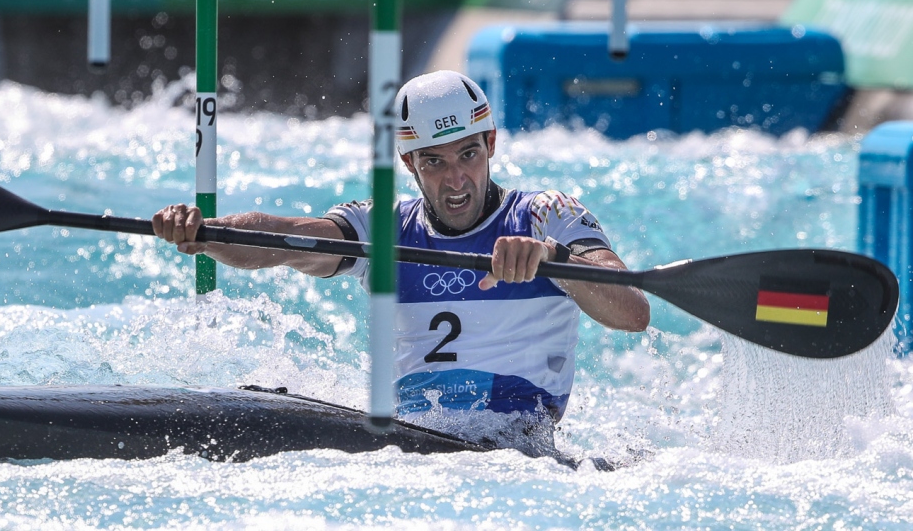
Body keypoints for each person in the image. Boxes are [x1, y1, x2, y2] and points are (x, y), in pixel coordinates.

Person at [153, 70, 650, 432]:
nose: (456, 180)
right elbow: (284, 239)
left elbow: (633, 312)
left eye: (468, 155)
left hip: (517, 453)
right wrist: (207, 234)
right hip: (411, 448)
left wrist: (552, 259)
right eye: (434, 162)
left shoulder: (547, 214)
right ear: (409, 163)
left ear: (492, 143)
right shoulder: (384, 227)